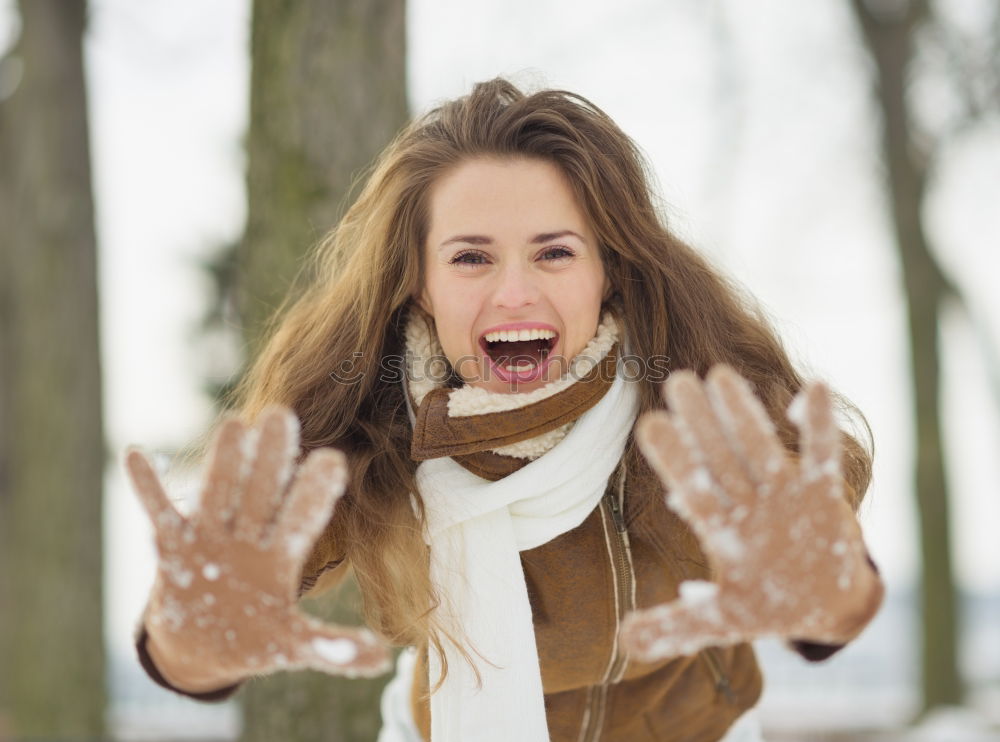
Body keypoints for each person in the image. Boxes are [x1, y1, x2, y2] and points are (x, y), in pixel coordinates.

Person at [124, 77, 885, 742]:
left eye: (554, 252)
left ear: (607, 272)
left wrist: (829, 592)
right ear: (418, 281)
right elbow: (192, 655)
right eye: (470, 257)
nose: (514, 293)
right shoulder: (364, 421)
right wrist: (193, 631)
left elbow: (830, 608)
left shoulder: (692, 405)